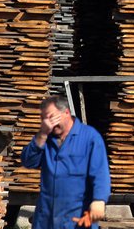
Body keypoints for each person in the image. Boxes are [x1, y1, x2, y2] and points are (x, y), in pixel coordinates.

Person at [21, 95, 111, 228]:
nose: (48, 122)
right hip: (46, 218)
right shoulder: (46, 138)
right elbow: (28, 161)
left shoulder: (89, 137)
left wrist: (99, 200)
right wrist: (42, 134)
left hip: (76, 217)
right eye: (44, 119)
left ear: (66, 113)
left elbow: (100, 173)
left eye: (52, 117)